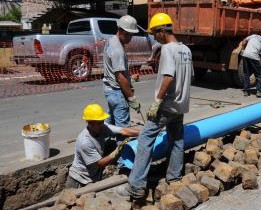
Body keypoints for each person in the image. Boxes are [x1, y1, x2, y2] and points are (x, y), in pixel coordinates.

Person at [117, 13, 194, 199]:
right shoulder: (186, 50)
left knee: (145, 140)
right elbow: (190, 76)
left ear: (161, 32)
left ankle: (135, 187)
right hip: (181, 105)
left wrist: (157, 102)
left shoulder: (168, 49)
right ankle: (174, 177)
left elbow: (168, 77)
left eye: (154, 34)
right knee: (176, 139)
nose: (154, 38)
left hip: (166, 106)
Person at [65, 104, 140, 189]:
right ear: (90, 123)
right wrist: (117, 152)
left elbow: (123, 131)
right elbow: (100, 163)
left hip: (94, 175)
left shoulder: (101, 127)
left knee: (111, 142)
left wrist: (143, 133)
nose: (103, 124)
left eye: (103, 121)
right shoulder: (85, 142)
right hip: (80, 179)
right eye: (100, 123)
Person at [103, 15, 142, 166]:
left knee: (109, 123)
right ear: (121, 30)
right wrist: (131, 98)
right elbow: (120, 78)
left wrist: (129, 77)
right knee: (123, 129)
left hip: (109, 90)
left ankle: (101, 147)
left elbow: (117, 73)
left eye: (132, 35)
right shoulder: (117, 49)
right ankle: (123, 163)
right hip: (117, 93)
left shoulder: (111, 40)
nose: (130, 38)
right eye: (129, 35)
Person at [241, 30, 261, 97]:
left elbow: (244, 41)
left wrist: (243, 49)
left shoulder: (254, 35)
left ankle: (246, 91)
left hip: (245, 55)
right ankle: (259, 91)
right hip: (254, 57)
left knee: (246, 73)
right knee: (259, 74)